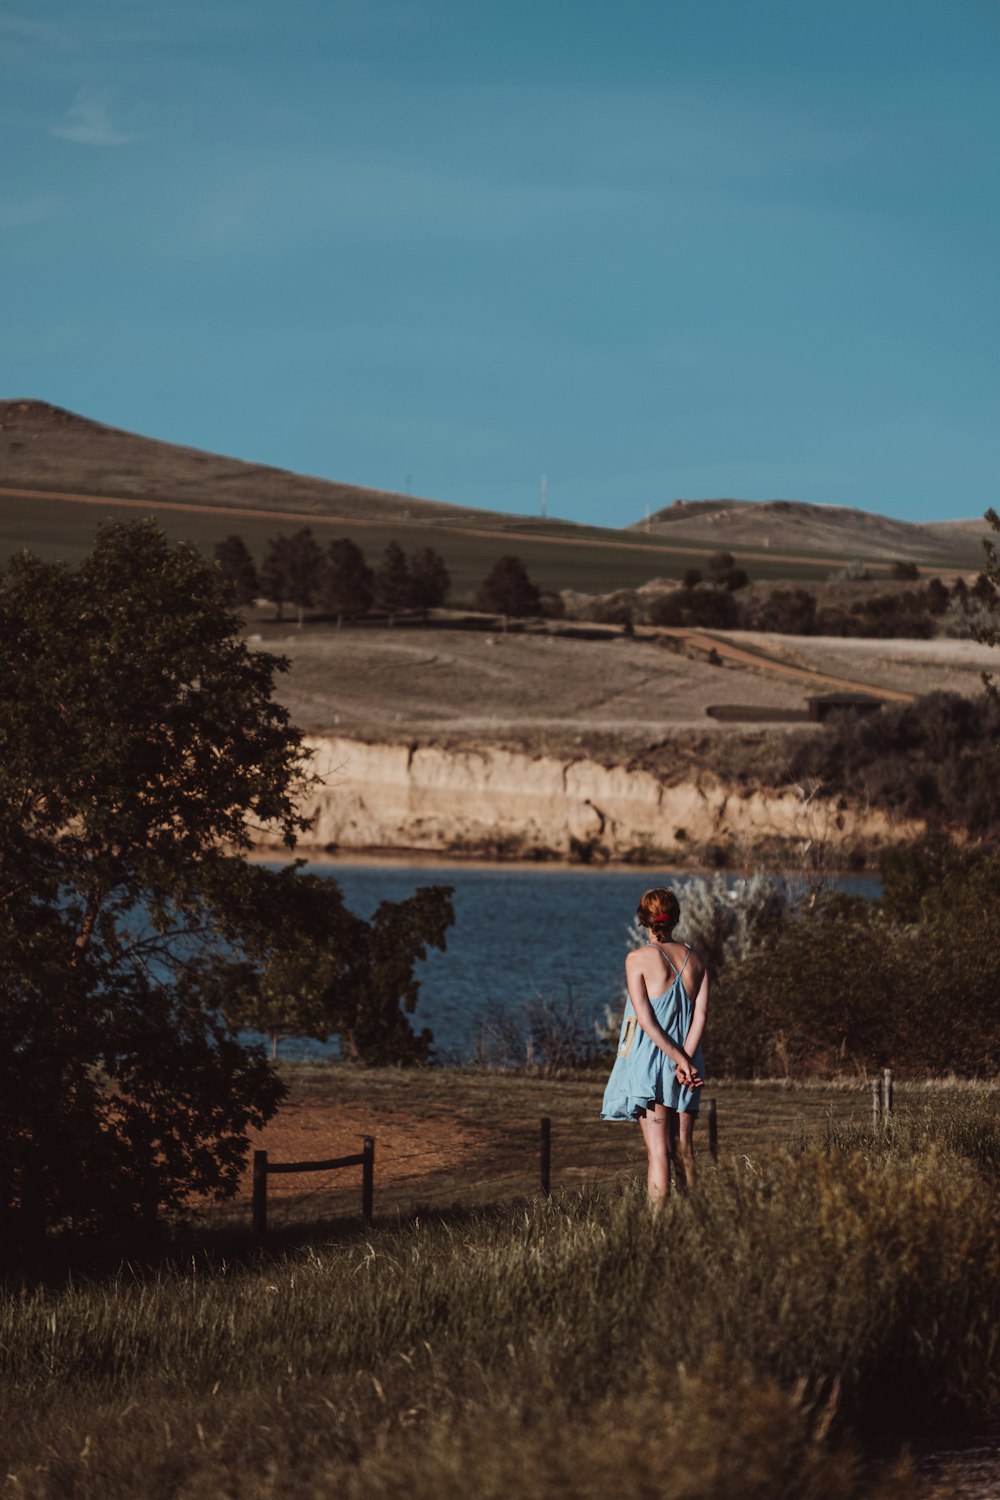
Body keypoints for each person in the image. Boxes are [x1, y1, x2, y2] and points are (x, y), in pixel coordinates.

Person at [600, 887, 709, 1201]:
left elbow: (646, 1020)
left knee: (659, 1154)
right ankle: (695, 1219)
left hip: (653, 1065)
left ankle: (657, 1229)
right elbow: (700, 1015)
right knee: (685, 1150)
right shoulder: (697, 961)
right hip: (690, 1066)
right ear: (675, 917)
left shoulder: (637, 959)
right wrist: (687, 1061)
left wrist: (676, 1059)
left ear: (642, 920)